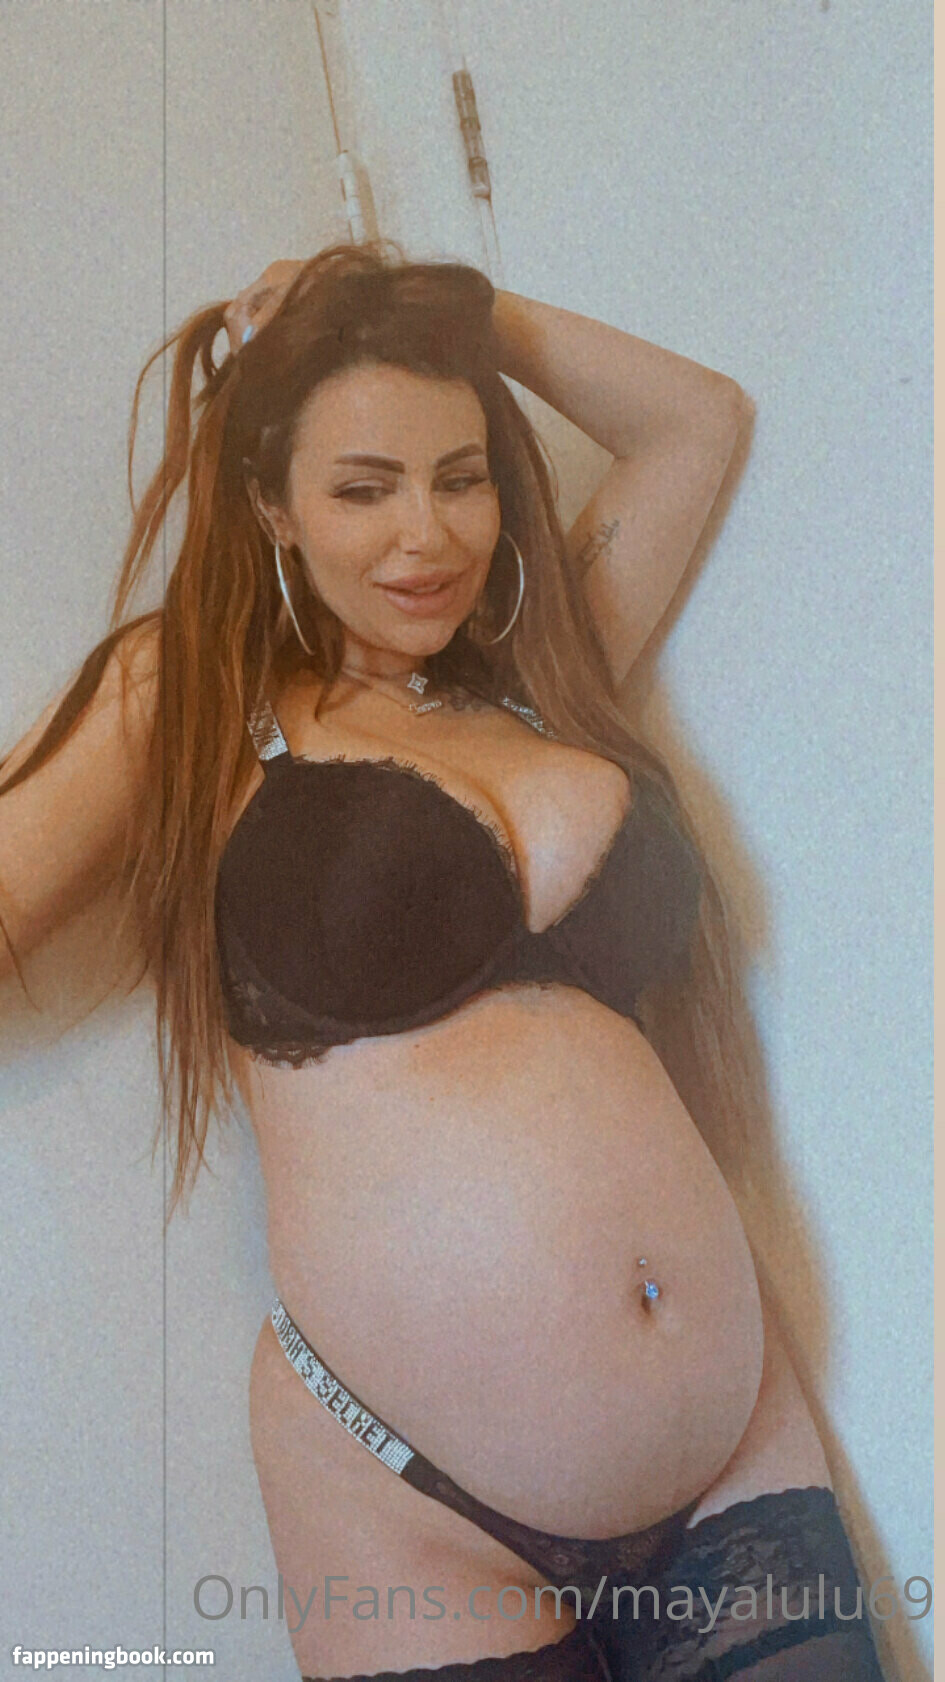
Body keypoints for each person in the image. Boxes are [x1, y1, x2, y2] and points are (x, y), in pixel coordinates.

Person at [0, 241, 888, 1682]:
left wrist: (453, 310)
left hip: (734, 1460)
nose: (426, 536)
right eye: (363, 488)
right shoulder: (198, 701)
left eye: (459, 477)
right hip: (405, 1495)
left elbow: (697, 422)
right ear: (272, 506)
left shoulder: (540, 678)